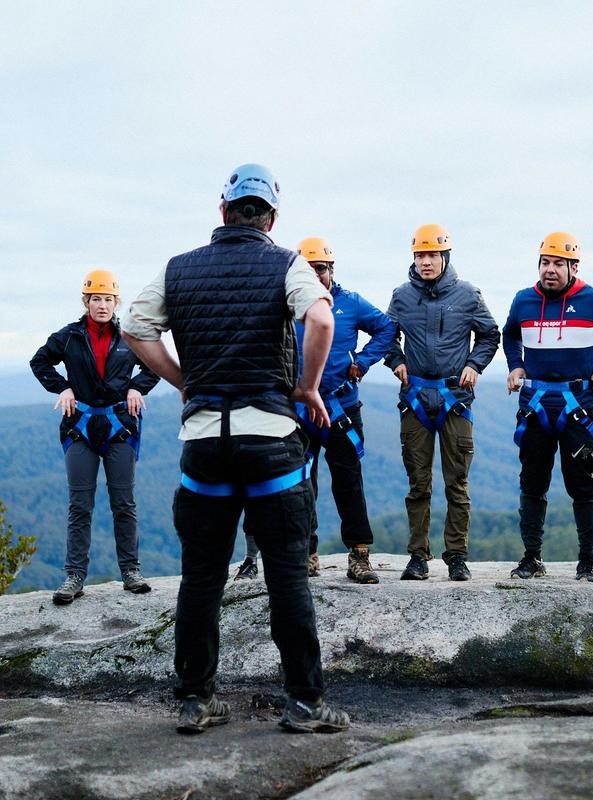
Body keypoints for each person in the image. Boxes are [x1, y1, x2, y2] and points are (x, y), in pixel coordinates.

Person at [121, 163, 349, 734]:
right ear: (270, 217)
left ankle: (196, 700)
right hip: (270, 440)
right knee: (287, 576)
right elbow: (320, 318)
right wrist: (307, 387)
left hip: (203, 443)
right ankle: (304, 703)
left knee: (201, 577)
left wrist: (183, 382)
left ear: (223, 212)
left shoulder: (180, 269)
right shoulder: (286, 264)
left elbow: (135, 326)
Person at [236, 236, 395, 585]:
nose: (315, 275)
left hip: (340, 406)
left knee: (349, 482)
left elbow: (386, 328)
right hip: (297, 410)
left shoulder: (349, 303)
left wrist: (363, 362)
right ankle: (306, 554)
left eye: (320, 269)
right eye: (307, 269)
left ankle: (359, 555)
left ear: (331, 270)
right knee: (299, 484)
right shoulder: (285, 305)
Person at [503, 232, 593, 581]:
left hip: (578, 404)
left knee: (582, 484)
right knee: (532, 482)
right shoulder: (524, 300)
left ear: (574, 266)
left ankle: (588, 561)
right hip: (536, 405)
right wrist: (515, 364)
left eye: (558, 264)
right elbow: (509, 334)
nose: (550, 270)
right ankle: (531, 558)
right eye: (545, 262)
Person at [30, 270, 159, 605]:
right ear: (86, 302)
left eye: (108, 299)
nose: (102, 305)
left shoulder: (129, 335)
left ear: (117, 302)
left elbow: (153, 366)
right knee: (80, 504)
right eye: (96, 299)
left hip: (119, 426)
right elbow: (40, 361)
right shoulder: (70, 337)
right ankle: (74, 577)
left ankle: (131, 572)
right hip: (80, 426)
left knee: (123, 502)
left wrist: (135, 387)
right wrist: (62, 387)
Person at [385, 224, 500, 581]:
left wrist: (474, 365)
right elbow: (387, 336)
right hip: (416, 398)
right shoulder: (402, 296)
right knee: (418, 484)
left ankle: (456, 557)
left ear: (444, 257)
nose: (425, 262)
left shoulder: (468, 295)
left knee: (457, 483)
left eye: (432, 255)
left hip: (455, 399)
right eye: (419, 255)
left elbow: (489, 334)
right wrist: (396, 360)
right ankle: (418, 556)